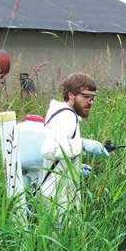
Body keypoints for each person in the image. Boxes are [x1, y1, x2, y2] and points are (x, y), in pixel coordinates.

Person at [37, 72, 109, 217]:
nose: (91, 102)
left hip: (58, 193)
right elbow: (50, 149)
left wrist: (73, 169)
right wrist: (82, 144)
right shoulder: (66, 116)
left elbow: (60, 149)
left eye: (93, 98)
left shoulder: (64, 114)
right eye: (86, 96)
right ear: (71, 95)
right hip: (57, 198)